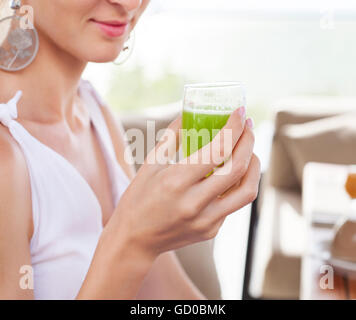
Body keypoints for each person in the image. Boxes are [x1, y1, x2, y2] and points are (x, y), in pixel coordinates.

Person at [0, 0, 261, 300]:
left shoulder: (95, 113)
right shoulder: (6, 158)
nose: (130, 3)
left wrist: (146, 236)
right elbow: (137, 249)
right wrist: (132, 243)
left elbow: (168, 294)